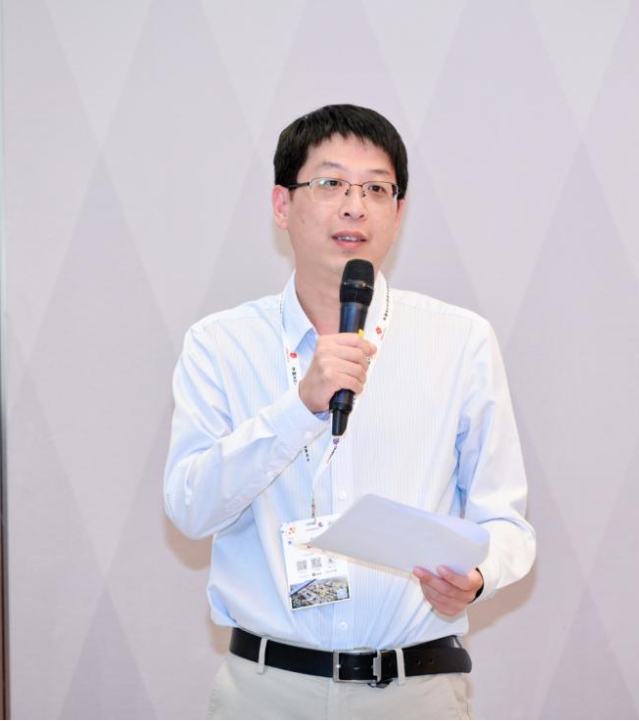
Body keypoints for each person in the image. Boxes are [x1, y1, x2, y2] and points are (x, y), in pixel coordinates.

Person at [163, 104, 535, 719]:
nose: (354, 206)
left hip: (414, 692)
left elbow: (506, 522)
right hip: (267, 690)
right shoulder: (220, 344)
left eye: (376, 189)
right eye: (331, 182)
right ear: (282, 205)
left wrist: (479, 575)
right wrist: (297, 408)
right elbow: (189, 508)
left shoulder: (459, 339)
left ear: (398, 212)